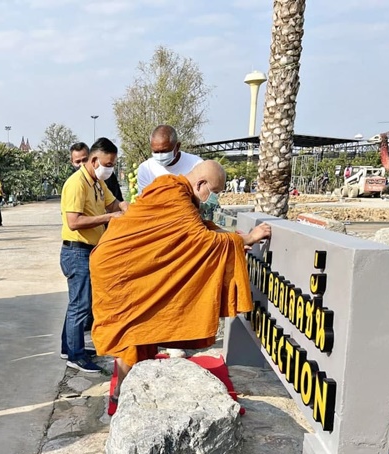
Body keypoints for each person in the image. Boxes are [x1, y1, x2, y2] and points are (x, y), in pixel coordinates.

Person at [91, 160, 272, 402]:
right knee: (131, 330)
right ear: (201, 183)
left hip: (121, 262)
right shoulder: (175, 195)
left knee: (139, 327)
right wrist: (247, 238)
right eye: (214, 192)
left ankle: (125, 390)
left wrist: (230, 238)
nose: (213, 198)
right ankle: (122, 392)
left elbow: (191, 231)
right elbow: (199, 240)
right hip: (121, 269)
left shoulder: (169, 187)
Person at [60, 137, 125, 373]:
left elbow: (115, 205)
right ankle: (75, 356)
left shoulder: (96, 182)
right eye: (109, 164)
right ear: (95, 160)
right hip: (76, 251)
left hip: (89, 250)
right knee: (81, 305)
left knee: (78, 303)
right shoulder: (77, 183)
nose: (111, 169)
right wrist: (108, 218)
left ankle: (69, 347)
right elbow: (74, 221)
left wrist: (139, 211)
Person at [136, 125, 203, 195]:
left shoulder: (196, 165)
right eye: (156, 152)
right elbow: (145, 201)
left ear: (177, 147)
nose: (160, 155)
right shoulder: (146, 169)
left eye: (164, 151)